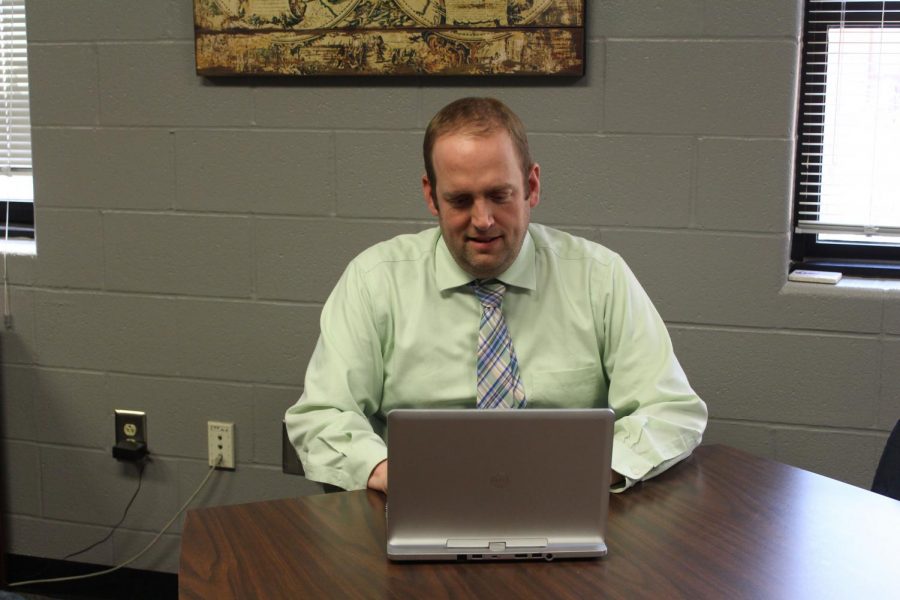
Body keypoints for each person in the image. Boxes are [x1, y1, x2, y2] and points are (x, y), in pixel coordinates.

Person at [285, 97, 707, 494]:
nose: (483, 220)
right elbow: (322, 415)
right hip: (421, 497)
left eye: (499, 195)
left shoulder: (600, 278)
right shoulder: (374, 280)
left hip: (564, 496)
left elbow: (671, 410)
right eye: (460, 200)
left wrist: (582, 472)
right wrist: (387, 471)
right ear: (432, 196)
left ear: (532, 186)